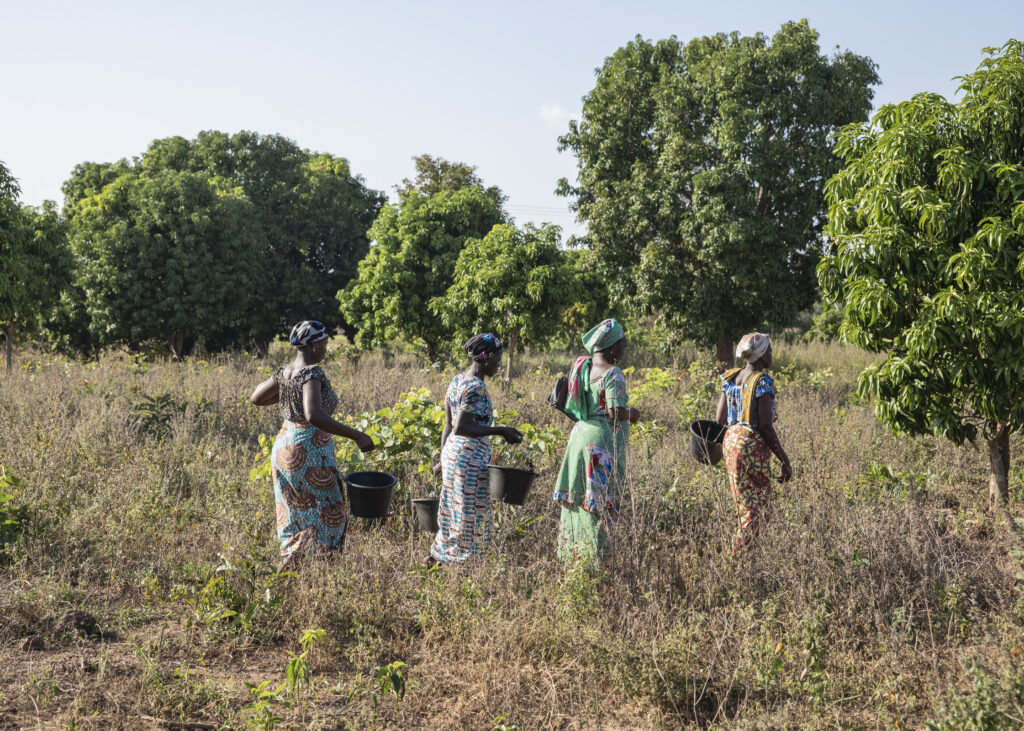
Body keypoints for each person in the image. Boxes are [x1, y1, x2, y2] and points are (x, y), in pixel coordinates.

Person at [250, 320, 376, 564]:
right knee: (332, 508)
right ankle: (322, 563)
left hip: (284, 443)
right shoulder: (312, 373)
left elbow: (256, 398)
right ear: (315, 344)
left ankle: (291, 559)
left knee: (294, 509)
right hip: (308, 449)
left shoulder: (285, 372)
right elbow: (314, 415)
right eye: (325, 344)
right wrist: (357, 435)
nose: (326, 349)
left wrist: (287, 398)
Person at [553, 318, 640, 564]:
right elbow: (615, 413)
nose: (625, 350)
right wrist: (633, 414)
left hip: (580, 438)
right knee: (601, 505)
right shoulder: (613, 374)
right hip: (601, 443)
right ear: (612, 346)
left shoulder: (583, 367)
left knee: (578, 500)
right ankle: (595, 563)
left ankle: (571, 557)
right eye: (623, 344)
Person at [431, 333, 522, 564]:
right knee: (468, 512)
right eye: (496, 360)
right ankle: (463, 562)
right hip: (468, 459)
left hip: (453, 453)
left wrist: (443, 458)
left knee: (452, 507)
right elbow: (461, 427)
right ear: (483, 359)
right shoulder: (475, 388)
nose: (499, 365)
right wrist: (500, 431)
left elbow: (448, 426)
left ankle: (443, 555)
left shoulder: (457, 380)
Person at [714, 332, 792, 552]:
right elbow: (765, 426)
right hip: (751, 445)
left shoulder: (730, 378)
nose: (772, 355)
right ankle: (741, 557)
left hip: (731, 441)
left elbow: (720, 419)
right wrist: (784, 460)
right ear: (761, 355)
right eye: (770, 350)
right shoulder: (761, 382)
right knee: (756, 507)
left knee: (744, 503)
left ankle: (744, 554)